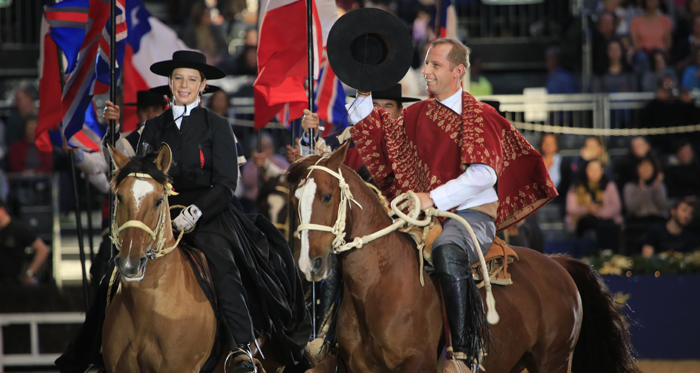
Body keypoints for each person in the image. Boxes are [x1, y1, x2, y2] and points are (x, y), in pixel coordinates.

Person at [302, 38, 557, 371]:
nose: (426, 71)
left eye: (435, 65)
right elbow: (382, 139)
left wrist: (431, 198)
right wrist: (363, 94)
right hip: (422, 215)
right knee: (356, 250)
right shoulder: (417, 113)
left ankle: (462, 354)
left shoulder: (480, 115)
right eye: (426, 64)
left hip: (469, 216)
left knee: (447, 250)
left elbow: (483, 176)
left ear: (458, 70)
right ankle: (327, 340)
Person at [58, 51, 311, 373]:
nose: (184, 85)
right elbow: (128, 171)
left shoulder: (218, 126)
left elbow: (225, 184)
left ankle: (241, 346)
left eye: (191, 79)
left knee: (223, 264)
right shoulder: (151, 127)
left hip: (209, 210)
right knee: (112, 265)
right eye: (178, 78)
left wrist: (195, 213)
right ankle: (95, 347)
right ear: (170, 83)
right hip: (156, 209)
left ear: (202, 85)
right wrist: (111, 130)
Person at [565, 159, 623, 251]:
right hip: (583, 221)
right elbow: (571, 208)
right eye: (591, 169)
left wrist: (599, 213)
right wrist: (587, 209)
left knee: (607, 227)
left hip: (606, 220)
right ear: (585, 170)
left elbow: (616, 206)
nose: (594, 172)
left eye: (597, 169)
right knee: (586, 222)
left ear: (602, 171)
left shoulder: (609, 185)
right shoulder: (576, 187)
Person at [0, 199, 50, 286]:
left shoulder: (18, 228)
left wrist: (30, 273)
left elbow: (42, 249)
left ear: (2, 210)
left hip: (13, 282)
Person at [622, 155, 668, 251]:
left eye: (648, 166)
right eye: (642, 166)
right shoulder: (629, 187)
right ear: (637, 169)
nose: (645, 169)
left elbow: (663, 206)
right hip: (637, 222)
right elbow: (631, 208)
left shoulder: (660, 186)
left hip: (657, 221)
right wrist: (642, 191)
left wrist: (656, 189)